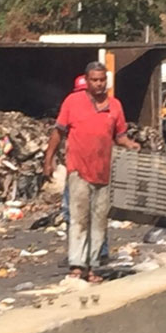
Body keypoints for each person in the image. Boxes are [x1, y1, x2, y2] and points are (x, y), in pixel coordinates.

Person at [44, 62, 140, 282]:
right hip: (78, 169)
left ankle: (94, 267)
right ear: (86, 81)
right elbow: (58, 132)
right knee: (79, 218)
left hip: (105, 172)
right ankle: (77, 265)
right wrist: (48, 159)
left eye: (102, 80)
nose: (99, 84)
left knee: (99, 221)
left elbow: (120, 136)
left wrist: (130, 144)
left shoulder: (114, 106)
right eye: (95, 80)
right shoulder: (73, 102)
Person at [59, 75, 109, 268]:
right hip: (78, 171)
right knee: (81, 214)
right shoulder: (74, 109)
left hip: (91, 172)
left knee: (87, 214)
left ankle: (95, 254)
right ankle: (83, 255)